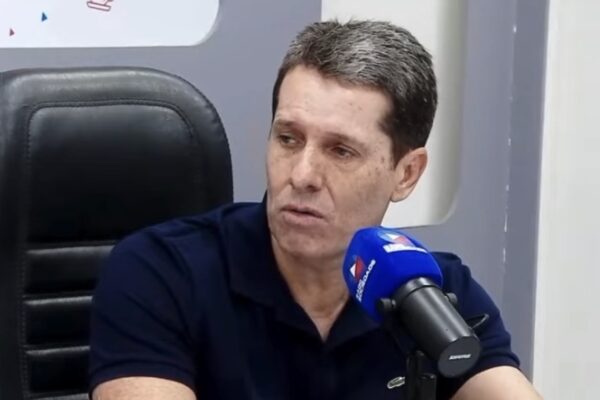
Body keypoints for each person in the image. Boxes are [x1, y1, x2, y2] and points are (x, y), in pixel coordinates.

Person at [89, 20, 542, 399]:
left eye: (341, 151)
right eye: (288, 139)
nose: (302, 174)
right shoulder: (160, 273)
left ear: (406, 173)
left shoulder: (430, 292)